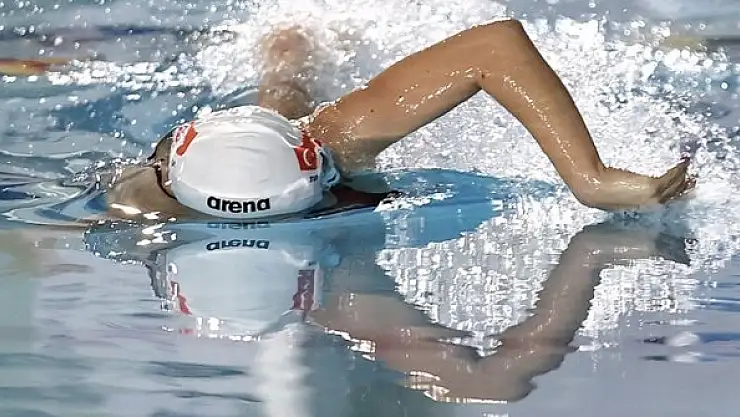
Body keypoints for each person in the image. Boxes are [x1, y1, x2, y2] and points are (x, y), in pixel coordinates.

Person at [106, 18, 695, 221]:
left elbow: (494, 46)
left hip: (279, 141)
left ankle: (292, 41)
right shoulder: (139, 205)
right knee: (278, 95)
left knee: (285, 99)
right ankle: (286, 47)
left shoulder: (334, 139)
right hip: (211, 165)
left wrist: (587, 176)